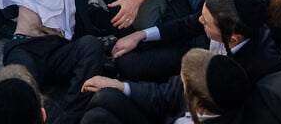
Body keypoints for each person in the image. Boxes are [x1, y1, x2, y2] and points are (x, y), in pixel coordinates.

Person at [109, 0, 281, 84]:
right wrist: (140, 35)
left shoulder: (259, 68)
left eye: (206, 22)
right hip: (194, 53)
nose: (200, 20)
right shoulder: (219, 11)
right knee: (127, 63)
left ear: (233, 38)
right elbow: (185, 25)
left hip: (204, 94)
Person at [80, 49, 250, 124]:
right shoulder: (210, 90)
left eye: (182, 82)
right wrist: (119, 85)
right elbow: (163, 95)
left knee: (95, 118)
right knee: (107, 95)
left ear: (199, 106)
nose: (178, 81)